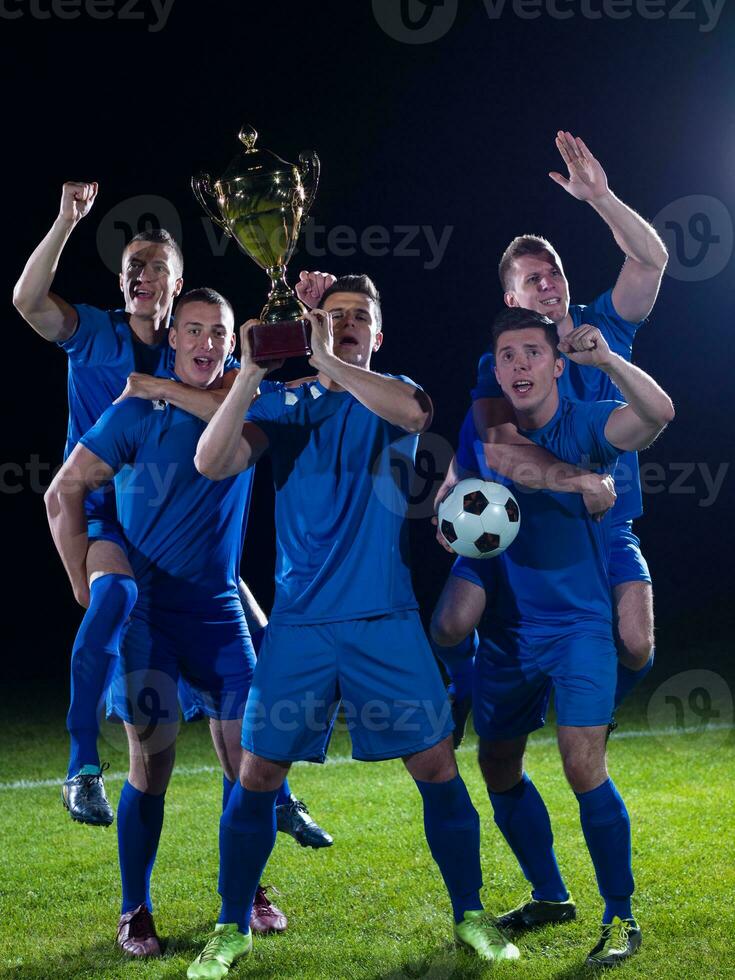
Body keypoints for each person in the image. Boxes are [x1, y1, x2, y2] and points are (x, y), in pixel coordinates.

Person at [186, 275, 520, 978]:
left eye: (358, 317)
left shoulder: (389, 391)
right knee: (255, 776)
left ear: (377, 333)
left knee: (434, 765)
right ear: (313, 322)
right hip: (301, 624)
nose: (344, 325)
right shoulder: (287, 404)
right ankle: (229, 926)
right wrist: (248, 369)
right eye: (332, 316)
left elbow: (415, 414)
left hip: (382, 616)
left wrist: (329, 360)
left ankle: (470, 915)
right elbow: (210, 461)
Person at [13, 183, 332, 853]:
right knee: (115, 599)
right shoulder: (95, 333)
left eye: (159, 265)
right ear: (122, 280)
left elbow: (259, 382)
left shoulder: (184, 356)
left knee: (266, 640)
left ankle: (276, 799)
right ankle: (80, 766)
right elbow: (27, 301)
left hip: (172, 536)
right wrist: (68, 218)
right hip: (104, 513)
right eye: (135, 264)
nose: (144, 273)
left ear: (179, 286)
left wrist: (306, 313)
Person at [43, 289, 299, 955]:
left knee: (251, 764)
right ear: (175, 337)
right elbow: (63, 489)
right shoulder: (134, 410)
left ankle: (246, 894)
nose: (206, 344)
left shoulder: (246, 408)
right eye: (193, 331)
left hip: (218, 614)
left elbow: (300, 389)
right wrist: (80, 580)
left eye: (218, 333)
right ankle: (135, 909)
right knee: (150, 768)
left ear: (230, 343)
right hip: (151, 616)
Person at [431, 307, 674, 967]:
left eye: (532, 353)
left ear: (556, 363)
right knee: (497, 765)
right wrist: (447, 514)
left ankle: (620, 918)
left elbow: (656, 414)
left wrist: (607, 363)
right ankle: (548, 894)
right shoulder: (491, 433)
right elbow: (465, 487)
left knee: (579, 763)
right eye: (507, 355)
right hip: (510, 632)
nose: (519, 366)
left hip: (576, 627)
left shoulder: (586, 424)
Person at [435, 132, 670, 744]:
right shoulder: (503, 364)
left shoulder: (604, 327)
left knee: (638, 644)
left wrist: (602, 198)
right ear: (511, 299)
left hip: (607, 524)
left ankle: (597, 709)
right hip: (529, 522)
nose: (548, 284)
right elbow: (500, 447)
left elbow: (650, 261)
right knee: (452, 625)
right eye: (531, 280)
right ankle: (465, 689)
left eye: (554, 273)